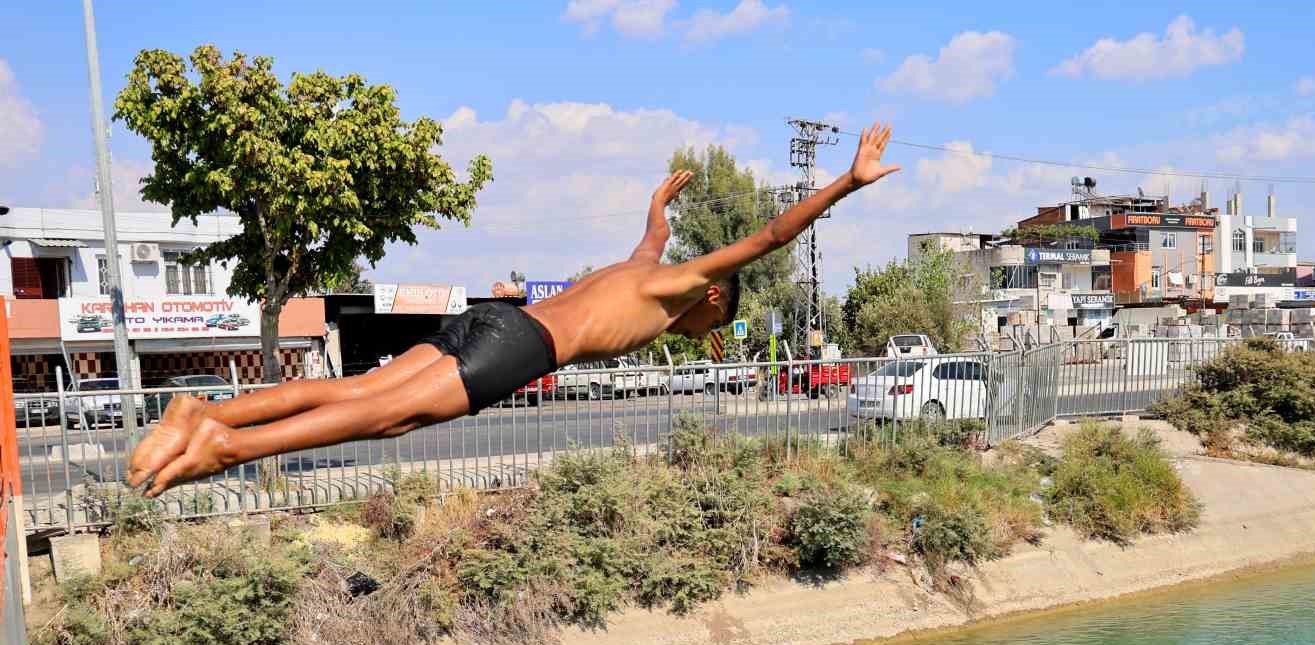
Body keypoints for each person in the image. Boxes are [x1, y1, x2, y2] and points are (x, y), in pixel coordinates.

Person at [126, 124, 902, 496]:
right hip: (521, 346)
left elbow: (652, 236)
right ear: (708, 297)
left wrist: (657, 204)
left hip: (486, 320)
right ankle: (225, 446)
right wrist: (845, 184)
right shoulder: (677, 290)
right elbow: (766, 237)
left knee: (359, 390)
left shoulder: (642, 270)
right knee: (383, 418)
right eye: (716, 322)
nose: (707, 334)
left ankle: (206, 411)